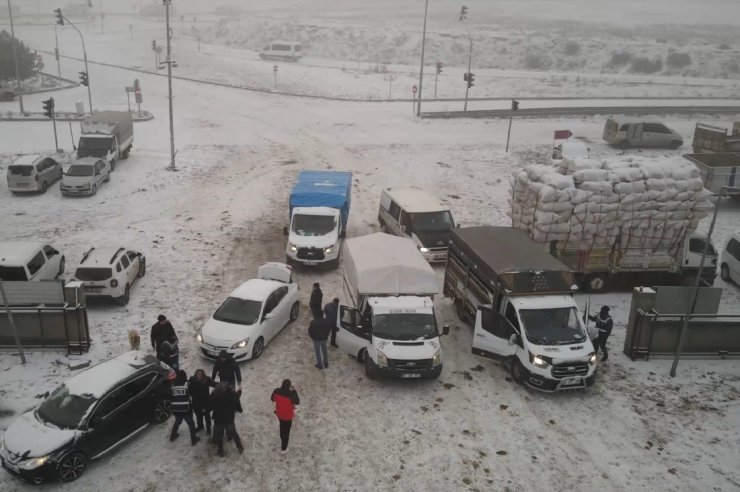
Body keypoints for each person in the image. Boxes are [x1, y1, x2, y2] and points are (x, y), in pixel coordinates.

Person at [210, 383, 244, 457]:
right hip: (229, 420)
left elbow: (210, 406)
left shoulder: (214, 397)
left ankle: (221, 450)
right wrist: (240, 409)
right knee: (234, 434)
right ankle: (239, 446)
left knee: (220, 436)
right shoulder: (231, 395)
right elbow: (236, 402)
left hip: (218, 421)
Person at [170, 370, 200, 446]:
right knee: (191, 424)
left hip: (176, 409)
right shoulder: (187, 384)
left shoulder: (173, 385)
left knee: (177, 421)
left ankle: (173, 435)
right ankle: (194, 439)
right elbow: (193, 392)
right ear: (184, 376)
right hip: (185, 408)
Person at [271, 379, 300, 454]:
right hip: (288, 416)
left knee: (282, 426)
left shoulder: (276, 391)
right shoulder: (291, 394)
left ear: (282, 384)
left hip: (279, 414)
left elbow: (272, 399)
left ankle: (282, 438)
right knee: (286, 432)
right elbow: (297, 401)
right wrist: (294, 390)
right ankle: (284, 449)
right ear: (289, 386)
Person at [189, 369, 214, 435]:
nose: (199, 375)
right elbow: (190, 392)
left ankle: (208, 428)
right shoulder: (192, 382)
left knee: (207, 416)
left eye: (201, 374)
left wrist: (222, 385)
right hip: (197, 403)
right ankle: (200, 426)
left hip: (206, 402)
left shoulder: (207, 380)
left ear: (203, 375)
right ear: (195, 375)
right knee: (199, 416)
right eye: (198, 374)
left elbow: (214, 384)